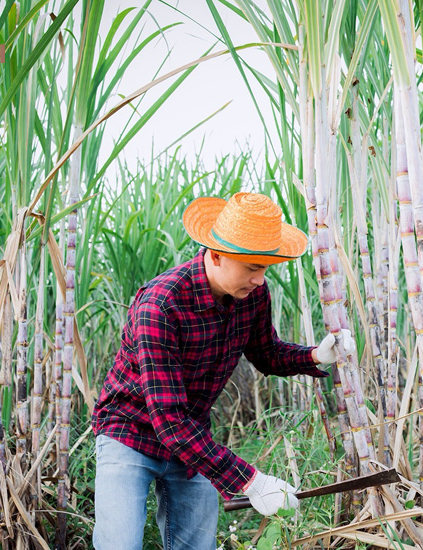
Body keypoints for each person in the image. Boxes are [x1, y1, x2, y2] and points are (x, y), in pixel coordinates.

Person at [91, 192, 354, 550]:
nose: (260, 280)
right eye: (251, 268)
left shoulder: (253, 296)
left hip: (192, 437)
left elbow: (267, 354)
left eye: (265, 268)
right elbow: (168, 420)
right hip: (130, 432)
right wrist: (251, 481)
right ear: (215, 255)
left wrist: (316, 356)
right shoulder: (161, 305)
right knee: (119, 545)